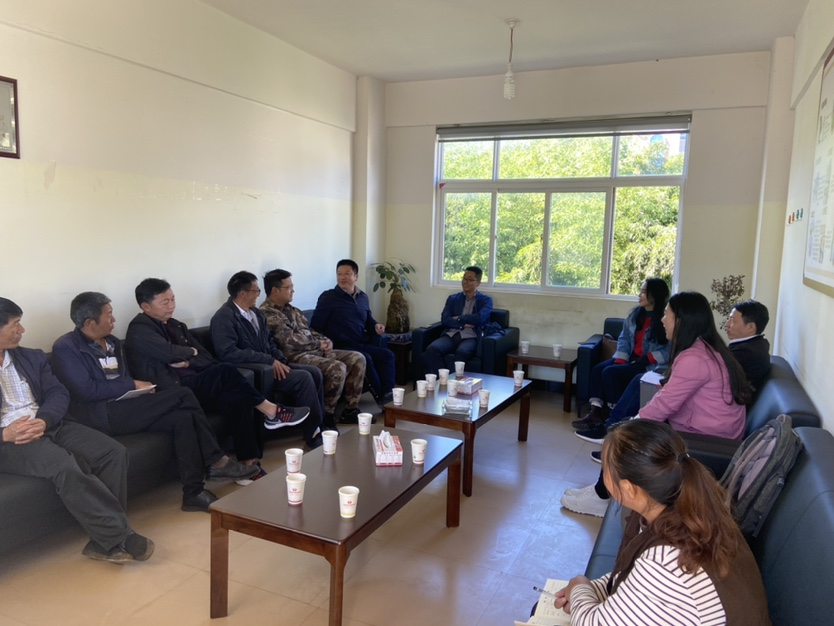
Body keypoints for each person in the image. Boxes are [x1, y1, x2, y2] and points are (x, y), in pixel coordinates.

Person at [52, 292, 259, 512]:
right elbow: (87, 390)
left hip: (127, 405)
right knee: (183, 395)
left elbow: (122, 378)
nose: (114, 320)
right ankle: (217, 460)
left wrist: (140, 390)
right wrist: (132, 385)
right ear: (89, 323)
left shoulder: (112, 342)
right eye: (109, 315)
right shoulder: (66, 347)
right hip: (101, 415)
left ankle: (194, 493)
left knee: (182, 417)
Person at [550, 420, 771, 625]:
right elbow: (635, 581)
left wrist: (579, 586)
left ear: (628, 489)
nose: (604, 475)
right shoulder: (697, 509)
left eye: (605, 470)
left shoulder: (667, 562)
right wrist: (593, 589)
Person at [562, 291, 751, 517]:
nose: (662, 320)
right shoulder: (704, 348)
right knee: (626, 423)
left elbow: (665, 405)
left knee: (625, 435)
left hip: (707, 439)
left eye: (666, 314)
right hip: (709, 431)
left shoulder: (695, 357)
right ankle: (601, 490)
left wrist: (632, 423)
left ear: (680, 320)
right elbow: (673, 396)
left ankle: (602, 497)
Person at [0, 297, 154, 563]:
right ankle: (119, 536)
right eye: (15, 324)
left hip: (49, 423)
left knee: (112, 452)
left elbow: (58, 393)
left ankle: (103, 540)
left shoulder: (31, 357)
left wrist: (45, 420)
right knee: (64, 465)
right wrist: (5, 434)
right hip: (12, 440)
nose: (22, 330)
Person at [124, 280, 309, 476]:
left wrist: (188, 362)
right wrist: (191, 351)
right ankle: (271, 410)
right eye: (165, 302)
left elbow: (205, 357)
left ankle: (249, 463)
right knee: (225, 370)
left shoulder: (177, 326)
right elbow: (170, 353)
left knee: (238, 399)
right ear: (146, 307)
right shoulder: (140, 330)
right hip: (173, 390)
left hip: (195, 382)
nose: (172, 305)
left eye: (173, 299)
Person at [211, 271, 325, 449]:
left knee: (315, 372)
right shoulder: (224, 318)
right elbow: (228, 353)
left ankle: (319, 423)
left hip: (271, 365)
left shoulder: (256, 314)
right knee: (303, 378)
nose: (259, 294)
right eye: (256, 291)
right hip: (258, 372)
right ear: (243, 293)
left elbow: (269, 342)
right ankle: (313, 432)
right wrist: (269, 361)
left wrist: (279, 359)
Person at [260, 268, 367, 428]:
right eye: (289, 287)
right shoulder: (267, 314)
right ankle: (326, 415)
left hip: (313, 351)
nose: (293, 290)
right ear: (275, 290)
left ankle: (350, 410)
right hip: (293, 357)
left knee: (358, 358)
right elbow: (289, 341)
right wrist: (317, 344)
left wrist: (324, 340)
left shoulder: (292, 310)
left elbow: (308, 331)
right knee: (337, 368)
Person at [573, 278, 670, 431]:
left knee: (610, 373)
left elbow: (669, 349)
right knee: (598, 369)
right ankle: (596, 412)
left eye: (644, 292)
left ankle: (614, 416)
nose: (640, 295)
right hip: (630, 358)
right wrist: (620, 359)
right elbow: (624, 338)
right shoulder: (634, 316)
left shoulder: (664, 320)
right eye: (641, 291)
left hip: (648, 364)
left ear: (655, 295)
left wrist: (649, 358)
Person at [311, 259, 396, 405]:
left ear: (356, 277)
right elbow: (315, 326)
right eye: (339, 274)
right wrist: (324, 342)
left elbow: (369, 321)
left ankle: (389, 394)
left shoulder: (363, 297)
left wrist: (376, 326)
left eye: (347, 274)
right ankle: (382, 399)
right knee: (366, 358)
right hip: (341, 346)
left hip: (360, 343)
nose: (342, 277)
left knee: (387, 355)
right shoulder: (328, 297)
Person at [422, 266, 493, 376]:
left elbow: (480, 318)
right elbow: (445, 320)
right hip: (451, 334)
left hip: (471, 337)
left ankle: (450, 382)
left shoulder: (486, 300)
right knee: (432, 349)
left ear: (478, 283)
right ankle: (443, 380)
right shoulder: (453, 299)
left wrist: (459, 318)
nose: (465, 282)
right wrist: (463, 325)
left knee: (462, 352)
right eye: (464, 278)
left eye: (470, 279)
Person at [725, 300, 771, 395]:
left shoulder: (744, 353)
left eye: (732, 321)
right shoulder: (758, 343)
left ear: (750, 327)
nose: (727, 324)